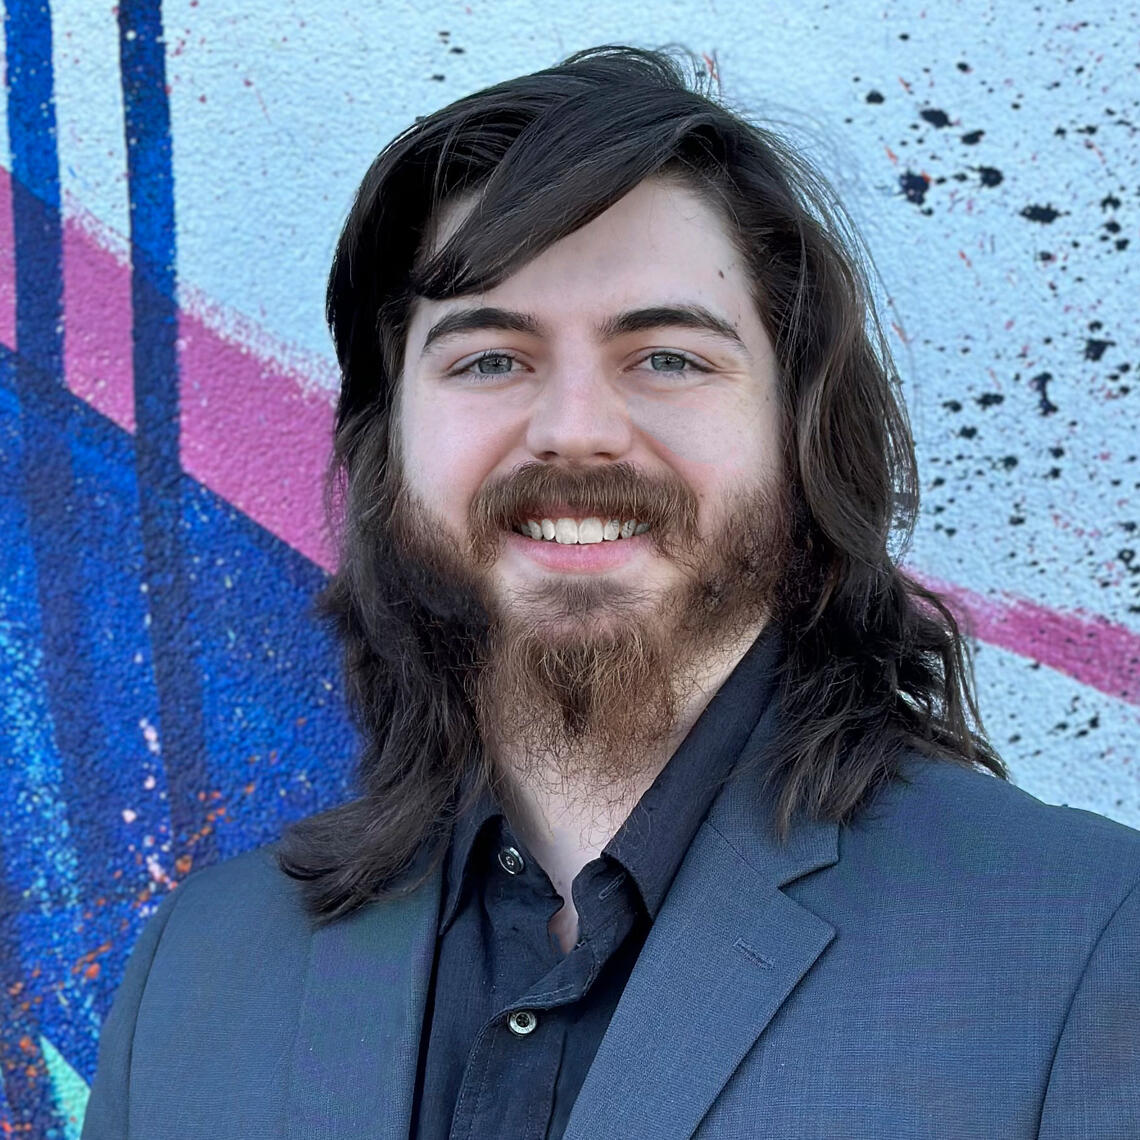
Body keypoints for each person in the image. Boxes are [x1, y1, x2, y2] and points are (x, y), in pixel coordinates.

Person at [82, 46, 1138, 1140]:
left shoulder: (1087, 947)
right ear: (388, 444)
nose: (575, 429)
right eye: (490, 359)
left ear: (799, 437)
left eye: (667, 357)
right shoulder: (193, 978)